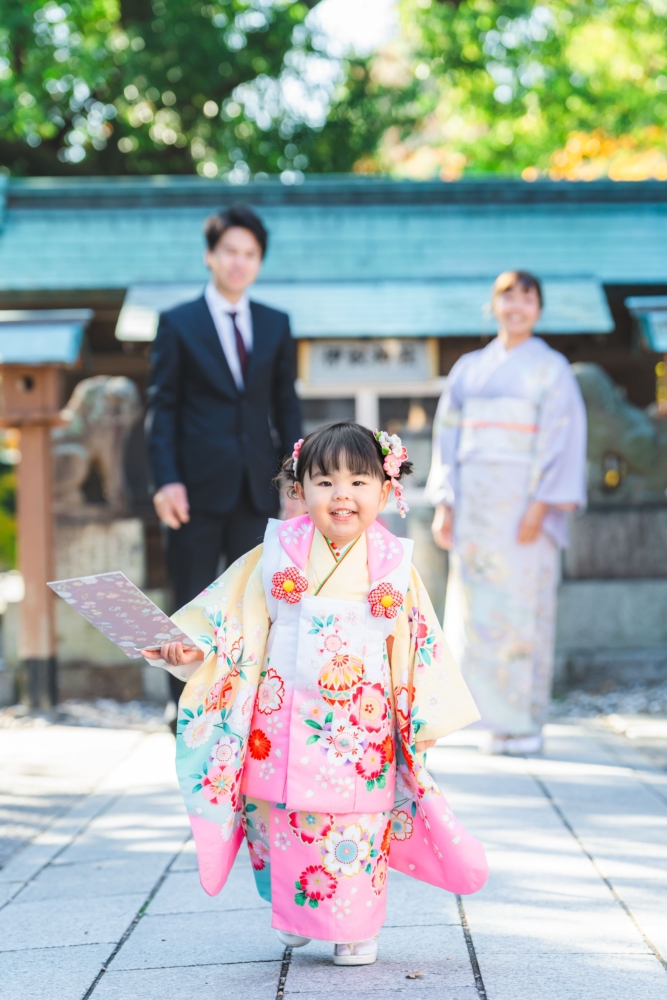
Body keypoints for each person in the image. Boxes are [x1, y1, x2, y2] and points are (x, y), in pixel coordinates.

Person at [143, 422, 488, 965]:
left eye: (359, 481)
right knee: (279, 816)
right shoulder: (275, 551)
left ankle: (355, 928)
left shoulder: (395, 564)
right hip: (280, 719)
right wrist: (192, 648)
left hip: (361, 724)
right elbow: (227, 613)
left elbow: (419, 642)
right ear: (298, 491)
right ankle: (296, 911)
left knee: (358, 821)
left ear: (386, 488)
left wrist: (417, 718)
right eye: (324, 482)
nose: (342, 495)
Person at [146, 203, 302, 712]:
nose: (239, 262)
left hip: (257, 485)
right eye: (229, 251)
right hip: (193, 486)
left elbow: (286, 405)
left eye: (250, 253)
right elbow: (162, 406)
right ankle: (183, 701)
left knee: (253, 598)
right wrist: (165, 479)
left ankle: (242, 698)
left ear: (259, 261)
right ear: (211, 256)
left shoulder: (276, 324)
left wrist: (296, 481)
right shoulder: (178, 323)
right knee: (190, 594)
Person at [427, 271, 587, 756]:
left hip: (523, 502)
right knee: (474, 612)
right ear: (493, 305)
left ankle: (524, 721)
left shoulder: (551, 368)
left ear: (538, 309)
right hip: (475, 505)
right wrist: (446, 501)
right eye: (508, 297)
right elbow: (447, 438)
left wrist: (541, 505)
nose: (517, 307)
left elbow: (562, 438)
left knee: (523, 610)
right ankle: (485, 721)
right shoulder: (469, 369)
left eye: (527, 298)